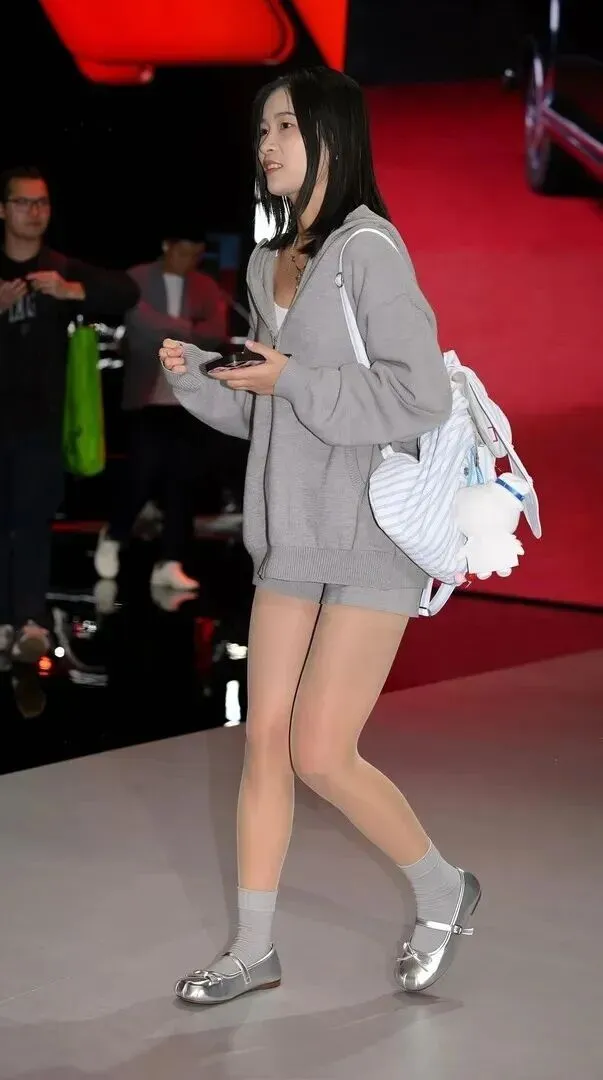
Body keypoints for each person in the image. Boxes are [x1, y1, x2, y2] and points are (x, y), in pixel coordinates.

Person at [160, 67, 481, 1004]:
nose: (267, 144)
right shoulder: (270, 261)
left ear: (333, 135)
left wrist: (289, 377)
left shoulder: (368, 249)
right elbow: (275, 412)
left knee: (320, 752)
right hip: (291, 531)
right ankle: (252, 949)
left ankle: (442, 887)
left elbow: (416, 395)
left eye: (286, 126)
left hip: (373, 531)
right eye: (262, 128)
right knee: (262, 739)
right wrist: (199, 381)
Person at [0, 165, 139, 665]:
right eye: (23, 202)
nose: (34, 212)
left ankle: (29, 620)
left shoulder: (58, 268)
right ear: (2, 209)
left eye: (41, 203)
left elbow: (126, 292)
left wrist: (71, 291)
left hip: (41, 422)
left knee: (33, 522)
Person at [94, 232, 228, 590]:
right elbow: (139, 327)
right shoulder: (138, 278)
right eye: (185, 252)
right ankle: (115, 533)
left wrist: (168, 330)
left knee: (182, 480)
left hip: (189, 399)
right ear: (167, 246)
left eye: (197, 254)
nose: (190, 261)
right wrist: (188, 331)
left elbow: (216, 332)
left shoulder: (204, 285)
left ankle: (171, 559)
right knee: (142, 471)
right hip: (148, 396)